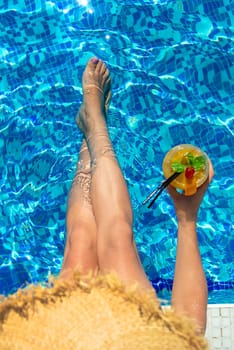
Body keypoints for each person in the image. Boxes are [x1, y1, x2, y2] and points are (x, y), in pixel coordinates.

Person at [0, 58, 214, 349]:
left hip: (71, 336)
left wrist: (187, 215)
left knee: (81, 240)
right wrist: (186, 218)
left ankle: (93, 130)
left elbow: (188, 333)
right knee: (115, 237)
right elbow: (187, 329)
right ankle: (94, 126)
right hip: (114, 336)